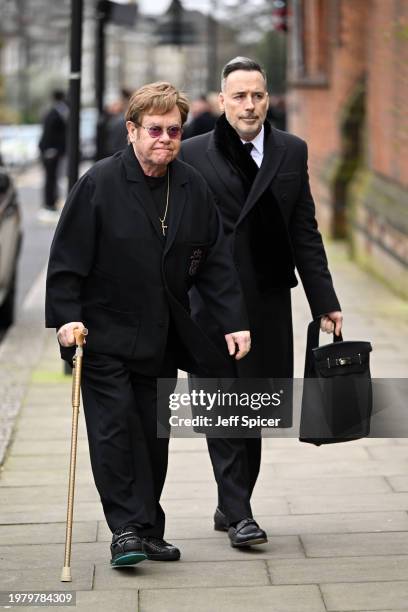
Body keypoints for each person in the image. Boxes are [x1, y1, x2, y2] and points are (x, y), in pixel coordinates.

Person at [45, 82, 250, 568]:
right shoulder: (99, 183)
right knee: (115, 433)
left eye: (174, 130)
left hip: (160, 336)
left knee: (152, 439)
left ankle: (149, 529)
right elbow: (67, 259)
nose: (165, 138)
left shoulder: (190, 185)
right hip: (105, 334)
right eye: (154, 129)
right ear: (132, 130)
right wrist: (67, 319)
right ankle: (125, 531)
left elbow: (216, 260)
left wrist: (233, 321)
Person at [179, 57, 343, 548]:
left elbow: (304, 230)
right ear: (222, 100)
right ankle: (241, 511)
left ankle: (231, 501)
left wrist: (325, 300)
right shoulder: (192, 154)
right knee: (220, 402)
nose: (250, 105)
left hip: (268, 299)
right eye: (240, 96)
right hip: (210, 300)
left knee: (252, 409)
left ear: (267, 98)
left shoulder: (291, 150)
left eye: (258, 95)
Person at [38, 90, 68, 223]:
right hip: (51, 151)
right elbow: (50, 133)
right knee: (50, 178)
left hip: (53, 151)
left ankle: (51, 202)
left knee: (53, 177)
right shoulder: (54, 113)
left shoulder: (56, 111)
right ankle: (49, 203)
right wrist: (51, 150)